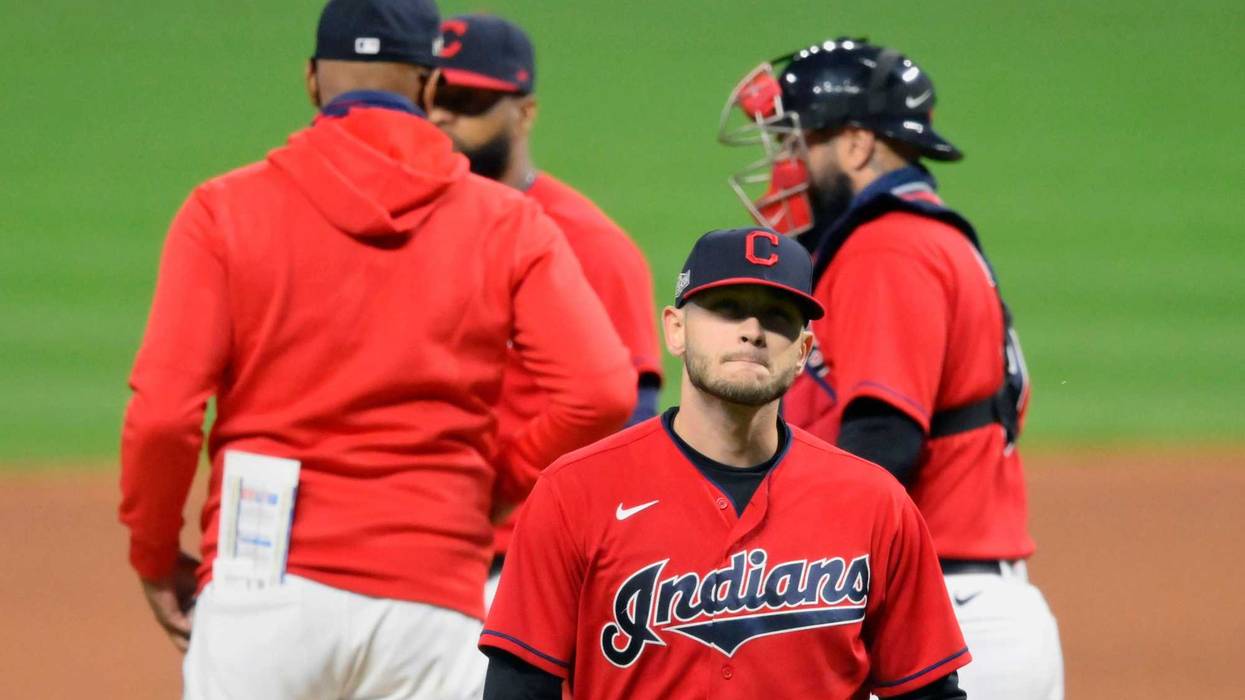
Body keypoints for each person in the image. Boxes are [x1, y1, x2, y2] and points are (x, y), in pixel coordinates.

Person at [118, 0, 637, 697]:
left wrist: (153, 555)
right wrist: (490, 487)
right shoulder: (509, 223)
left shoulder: (223, 210)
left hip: (258, 577)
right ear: (428, 87)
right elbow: (601, 391)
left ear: (311, 80)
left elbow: (162, 418)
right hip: (432, 593)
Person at [479, 227, 970, 699]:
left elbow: (927, 693)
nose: (753, 332)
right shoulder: (574, 492)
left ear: (802, 353)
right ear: (676, 330)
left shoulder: (875, 503)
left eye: (778, 317)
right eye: (727, 310)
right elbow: (518, 688)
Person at [718, 37, 1063, 698]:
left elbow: (884, 441)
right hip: (960, 609)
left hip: (942, 622)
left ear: (855, 146)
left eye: (795, 145)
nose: (782, 171)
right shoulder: (921, 233)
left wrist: (773, 572)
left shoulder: (887, 247)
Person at [428, 13, 663, 605]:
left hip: (522, 570)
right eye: (430, 95)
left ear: (525, 112)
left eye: (468, 99)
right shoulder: (399, 230)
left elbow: (631, 424)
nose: (441, 116)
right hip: (401, 556)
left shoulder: (590, 247)